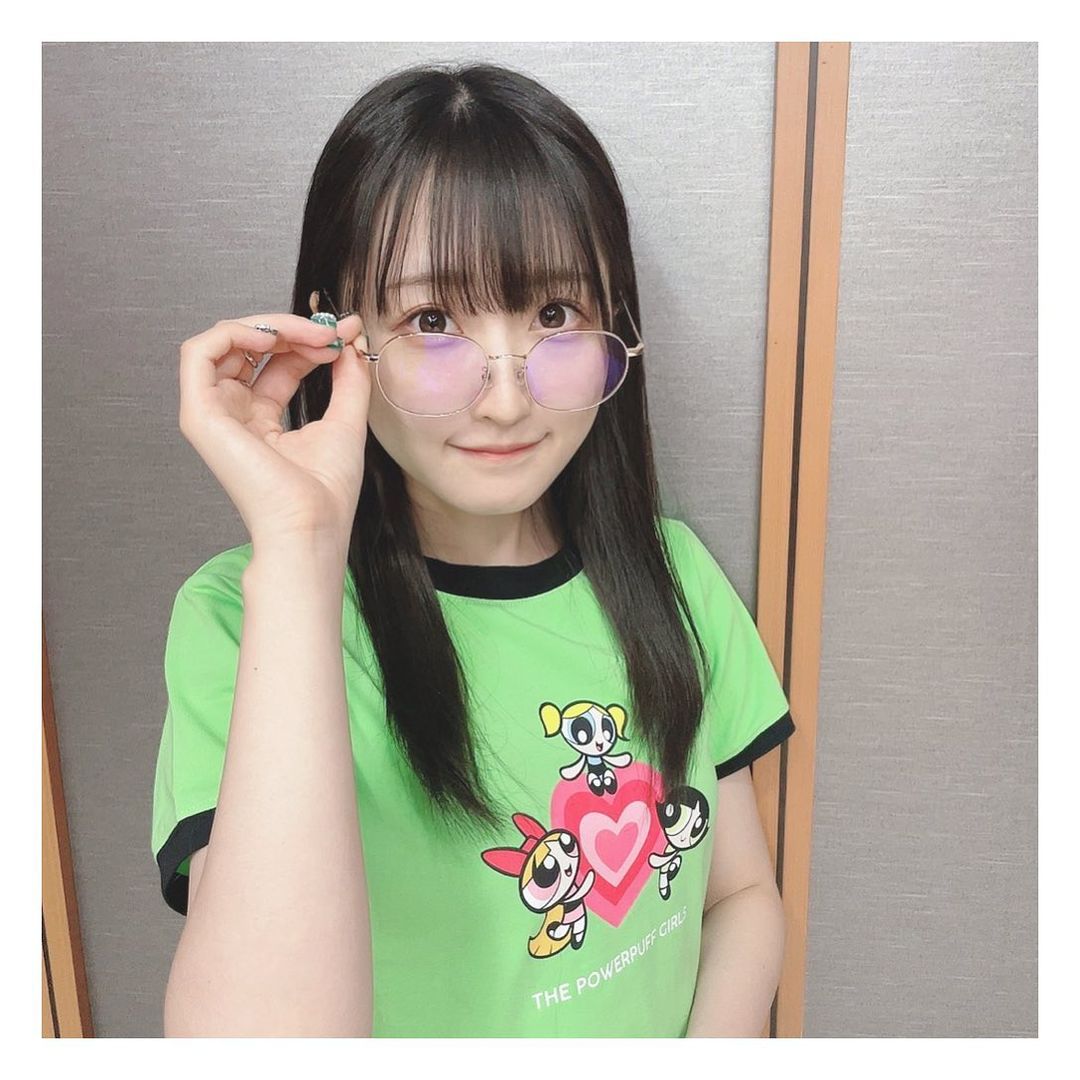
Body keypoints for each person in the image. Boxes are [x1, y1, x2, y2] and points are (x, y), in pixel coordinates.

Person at [150, 60, 796, 1038]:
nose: (505, 399)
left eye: (554, 315)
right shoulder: (243, 618)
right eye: (432, 320)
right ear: (336, 334)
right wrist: (298, 547)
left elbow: (740, 896)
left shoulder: (675, 576)